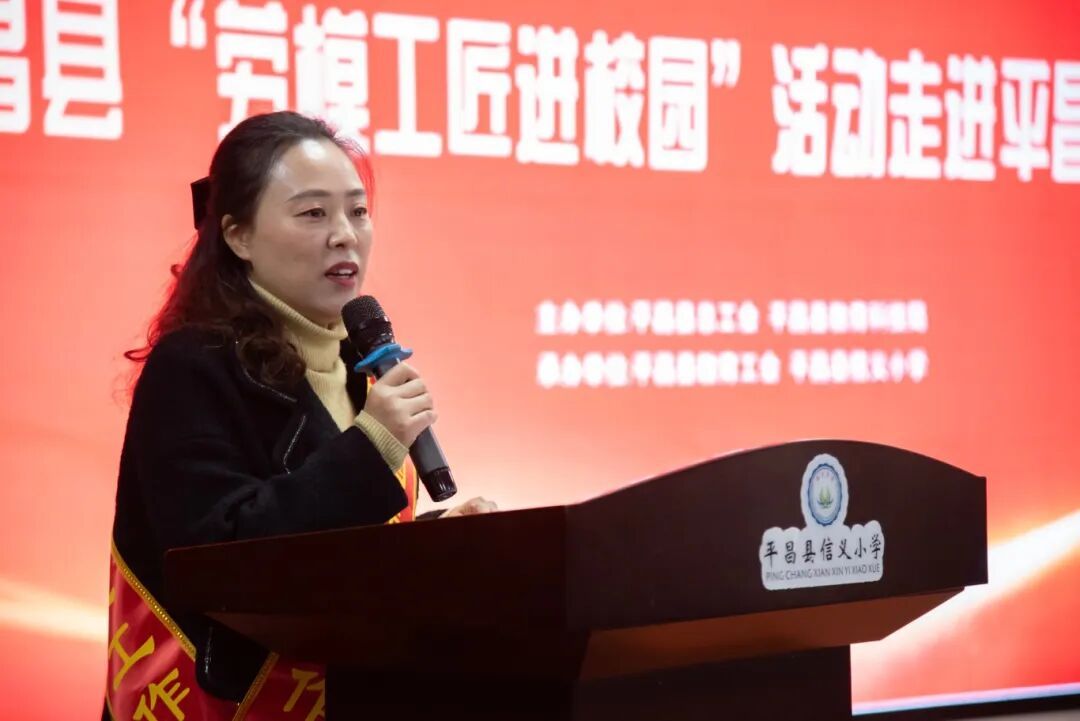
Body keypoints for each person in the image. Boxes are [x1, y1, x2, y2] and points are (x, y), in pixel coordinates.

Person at [104, 111, 495, 720]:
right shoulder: (192, 366)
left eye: (358, 211)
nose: (345, 235)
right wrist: (372, 445)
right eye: (313, 213)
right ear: (238, 236)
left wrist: (436, 545)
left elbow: (338, 547)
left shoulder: (358, 362)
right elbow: (217, 558)